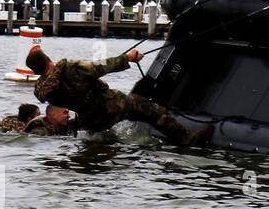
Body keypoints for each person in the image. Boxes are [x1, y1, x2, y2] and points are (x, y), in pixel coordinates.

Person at [27, 47, 210, 146]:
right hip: (111, 106)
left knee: (101, 140)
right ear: (49, 60)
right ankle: (186, 139)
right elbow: (101, 67)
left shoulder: (45, 92)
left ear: (36, 70)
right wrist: (128, 57)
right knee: (152, 111)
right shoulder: (70, 68)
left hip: (90, 120)